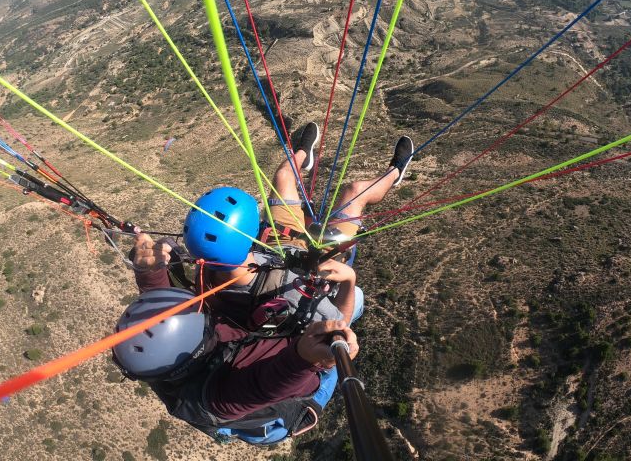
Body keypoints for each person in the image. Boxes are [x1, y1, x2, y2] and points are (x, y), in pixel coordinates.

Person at [134, 122, 414, 333]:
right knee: (356, 192)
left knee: (282, 176)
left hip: (279, 241)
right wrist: (349, 280)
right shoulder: (287, 295)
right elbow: (339, 325)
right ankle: (395, 172)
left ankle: (304, 153)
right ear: (250, 232)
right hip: (316, 264)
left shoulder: (206, 269)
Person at [112, 285, 359, 444]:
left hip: (248, 379)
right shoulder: (223, 397)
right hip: (289, 405)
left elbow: (163, 316)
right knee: (355, 300)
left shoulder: (162, 359)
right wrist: (305, 359)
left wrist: (151, 273)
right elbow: (265, 384)